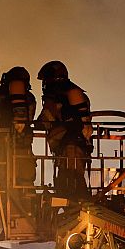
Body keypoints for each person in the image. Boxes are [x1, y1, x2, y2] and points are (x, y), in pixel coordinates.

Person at [35, 61, 92, 199]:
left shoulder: (55, 97)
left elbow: (44, 120)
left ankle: (78, 209)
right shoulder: (79, 94)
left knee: (69, 181)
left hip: (67, 145)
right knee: (76, 177)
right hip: (81, 145)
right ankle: (79, 205)